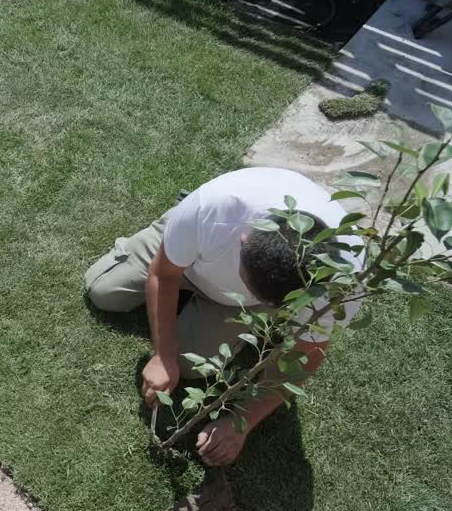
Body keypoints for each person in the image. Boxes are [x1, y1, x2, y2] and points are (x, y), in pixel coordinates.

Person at [84, 167, 361, 467]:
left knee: (190, 365)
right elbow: (163, 274)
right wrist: (163, 355)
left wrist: (241, 421)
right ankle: (177, 243)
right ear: (244, 240)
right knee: (102, 290)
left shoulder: (339, 279)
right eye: (246, 281)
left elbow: (307, 354)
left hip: (231, 296)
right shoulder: (215, 209)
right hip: (192, 250)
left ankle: (214, 306)